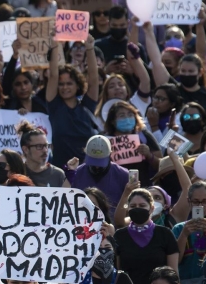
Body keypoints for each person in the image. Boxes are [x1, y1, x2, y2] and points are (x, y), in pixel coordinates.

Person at [114, 190, 180, 284]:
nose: (137, 209)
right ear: (128, 209)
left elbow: (173, 273)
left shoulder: (165, 234)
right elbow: (117, 273)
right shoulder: (120, 236)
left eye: (142, 206)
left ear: (151, 208)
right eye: (133, 206)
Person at [46, 32, 99, 169]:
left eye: (69, 83)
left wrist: (90, 48)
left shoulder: (86, 106)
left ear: (77, 85)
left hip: (87, 168)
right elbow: (53, 75)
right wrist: (54, 46)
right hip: (60, 169)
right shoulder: (55, 106)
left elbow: (93, 79)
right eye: (61, 84)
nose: (64, 87)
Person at [172, 182, 206, 284]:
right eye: (196, 202)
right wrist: (184, 235)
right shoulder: (179, 229)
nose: (200, 206)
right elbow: (175, 260)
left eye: (205, 201)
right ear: (189, 202)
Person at [71, 136, 129, 213]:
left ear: (110, 154)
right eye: (93, 161)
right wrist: (69, 174)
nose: (97, 167)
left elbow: (129, 207)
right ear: (85, 152)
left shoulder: (123, 175)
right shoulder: (75, 174)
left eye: (100, 162)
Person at [18, 121, 68, 188]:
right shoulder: (17, 173)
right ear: (25, 149)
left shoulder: (58, 175)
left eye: (46, 145)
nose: (45, 150)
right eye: (39, 146)